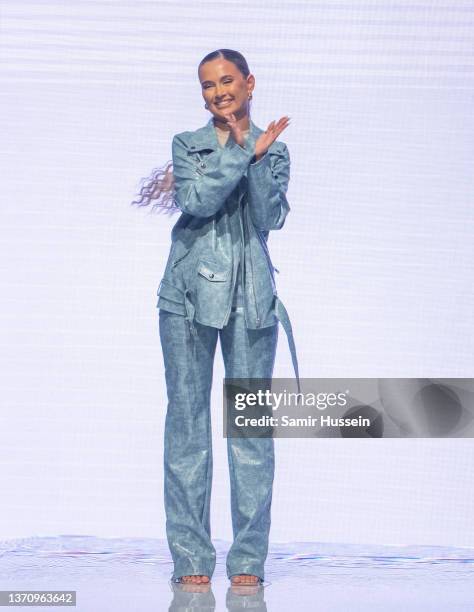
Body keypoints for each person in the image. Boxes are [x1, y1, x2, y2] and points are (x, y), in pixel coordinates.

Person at [132, 48, 300, 587]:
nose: (218, 92)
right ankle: (190, 560)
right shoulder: (189, 145)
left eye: (227, 81)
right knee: (187, 427)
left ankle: (249, 559)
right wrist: (244, 152)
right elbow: (199, 201)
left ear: (250, 83)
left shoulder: (276, 149)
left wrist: (258, 157)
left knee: (249, 430)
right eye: (207, 85)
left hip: (251, 300)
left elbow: (271, 216)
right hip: (186, 299)